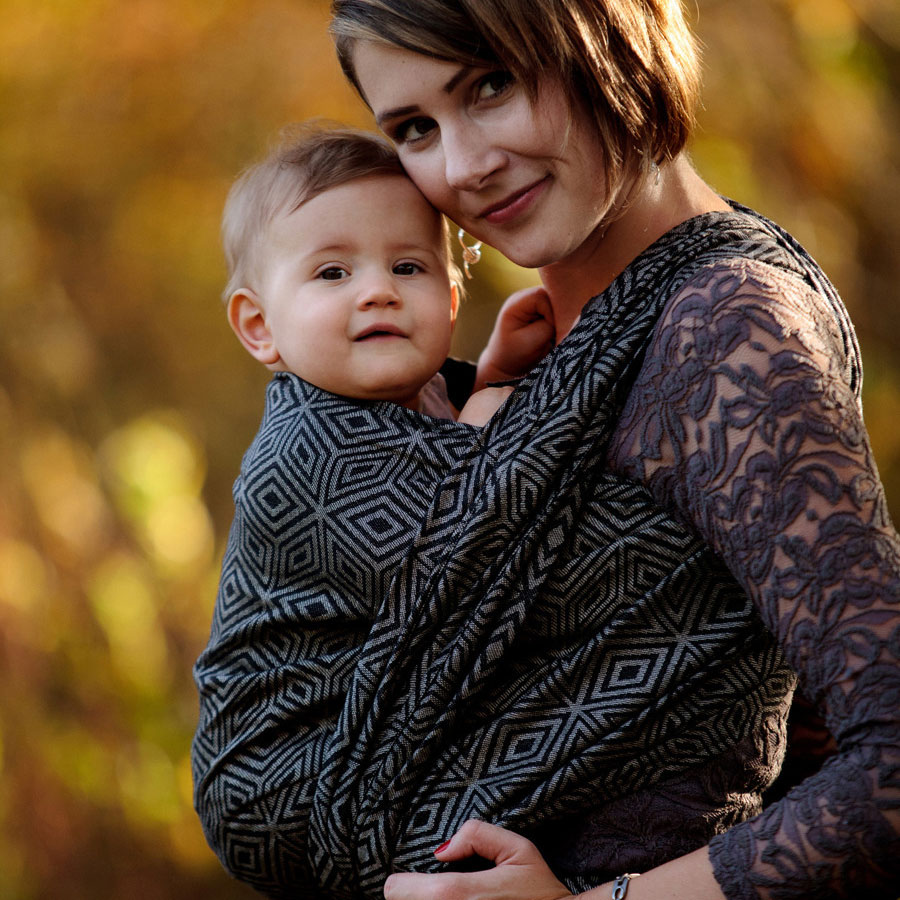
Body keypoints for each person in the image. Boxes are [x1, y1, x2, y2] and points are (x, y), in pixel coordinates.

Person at [192, 4, 900, 900]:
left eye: (491, 85)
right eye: (414, 128)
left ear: (608, 37)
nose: (462, 167)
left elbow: (879, 754)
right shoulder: (551, 350)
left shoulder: (726, 329)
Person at [219, 122, 552, 425]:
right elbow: (455, 491)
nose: (380, 290)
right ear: (260, 325)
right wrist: (481, 438)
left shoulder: (428, 390)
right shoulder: (300, 451)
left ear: (450, 305)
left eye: (406, 268)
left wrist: (498, 372)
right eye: (333, 273)